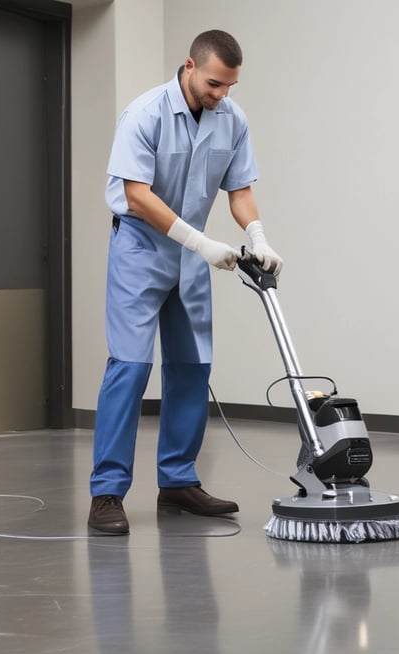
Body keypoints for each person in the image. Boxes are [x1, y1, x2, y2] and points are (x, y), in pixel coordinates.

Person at [88, 29, 283, 534]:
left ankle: (177, 481)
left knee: (193, 366)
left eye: (230, 87)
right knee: (129, 368)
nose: (222, 95)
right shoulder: (144, 113)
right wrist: (199, 242)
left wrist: (257, 235)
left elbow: (239, 189)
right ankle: (107, 492)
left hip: (194, 258)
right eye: (216, 83)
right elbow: (136, 195)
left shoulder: (231, 120)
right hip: (140, 249)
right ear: (191, 67)